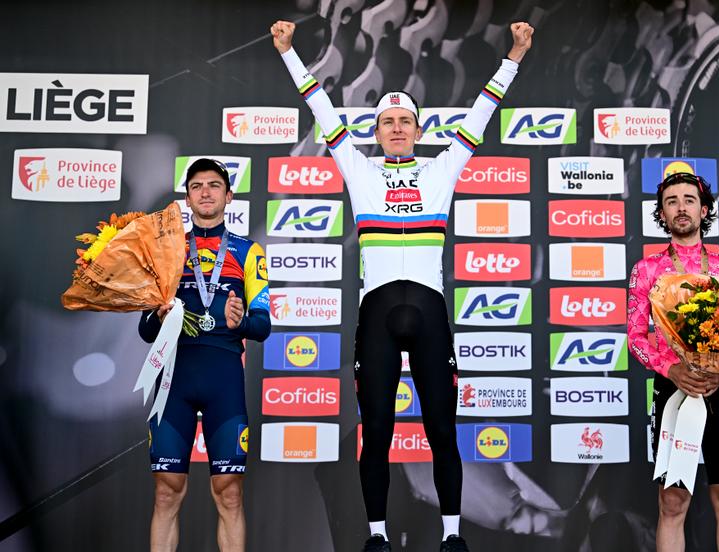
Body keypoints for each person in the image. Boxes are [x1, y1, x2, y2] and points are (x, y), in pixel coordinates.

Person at [272, 19, 533, 552]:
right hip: (379, 315)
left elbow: (483, 110)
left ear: (418, 130)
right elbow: (321, 107)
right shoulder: (359, 169)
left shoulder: (442, 169)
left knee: (442, 430)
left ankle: (453, 536)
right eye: (387, 122)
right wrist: (289, 53)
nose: (395, 128)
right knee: (377, 433)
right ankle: (377, 536)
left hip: (429, 313)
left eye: (404, 121)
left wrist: (514, 54)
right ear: (376, 132)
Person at [138, 158, 271, 552]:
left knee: (229, 493)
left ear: (228, 196)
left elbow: (263, 326)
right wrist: (158, 315)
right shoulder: (167, 252)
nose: (206, 192)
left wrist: (241, 321)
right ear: (187, 198)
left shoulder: (248, 251)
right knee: (166, 491)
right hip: (173, 380)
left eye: (214, 185)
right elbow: (145, 331)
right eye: (196, 186)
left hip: (223, 379)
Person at [627, 172, 719, 552]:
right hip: (672, 391)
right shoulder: (646, 270)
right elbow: (635, 337)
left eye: (689, 200)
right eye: (672, 201)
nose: (681, 207)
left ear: (704, 210)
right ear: (662, 214)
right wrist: (671, 370)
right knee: (672, 502)